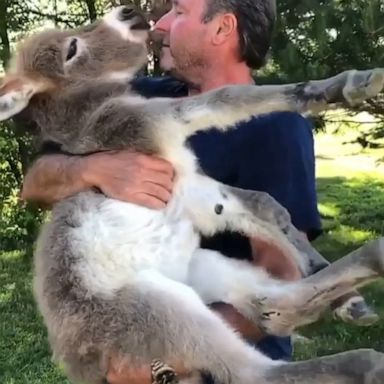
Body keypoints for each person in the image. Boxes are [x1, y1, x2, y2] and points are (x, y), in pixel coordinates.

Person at [21, 0, 322, 382]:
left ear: (221, 29)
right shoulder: (140, 96)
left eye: (179, 12)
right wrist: (92, 168)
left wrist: (165, 355)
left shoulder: (276, 128)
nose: (160, 22)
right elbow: (35, 184)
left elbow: (283, 273)